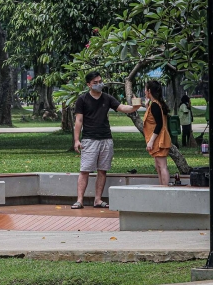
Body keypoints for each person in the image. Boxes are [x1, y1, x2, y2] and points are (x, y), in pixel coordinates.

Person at [72, 71, 141, 209]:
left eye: (100, 81)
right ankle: (79, 200)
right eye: (95, 83)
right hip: (89, 140)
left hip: (106, 139)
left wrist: (135, 106)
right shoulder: (82, 99)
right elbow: (78, 120)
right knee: (85, 170)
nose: (99, 84)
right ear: (88, 85)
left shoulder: (107, 98)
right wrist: (76, 140)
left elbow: (122, 108)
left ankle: (98, 200)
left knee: (102, 170)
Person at [143, 80, 172, 186]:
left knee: (162, 166)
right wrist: (147, 106)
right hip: (158, 139)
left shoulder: (155, 105)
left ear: (149, 91)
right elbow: (153, 118)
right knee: (158, 166)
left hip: (160, 140)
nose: (144, 91)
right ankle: (161, 186)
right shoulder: (154, 104)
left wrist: (151, 141)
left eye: (145, 89)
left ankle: (165, 188)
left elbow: (159, 124)